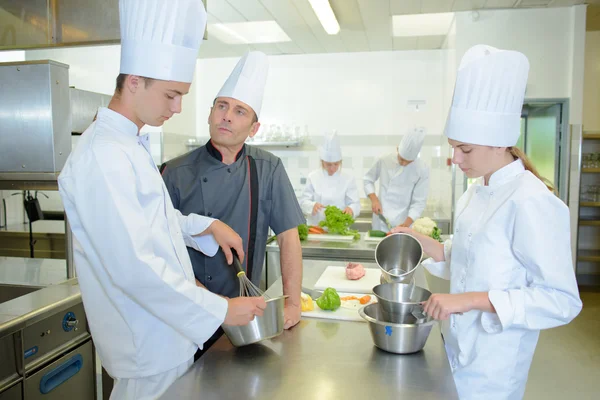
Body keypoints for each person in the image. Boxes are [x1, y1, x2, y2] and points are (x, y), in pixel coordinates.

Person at [58, 1, 265, 398]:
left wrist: (202, 226)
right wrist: (222, 309)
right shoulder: (103, 157)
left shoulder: (129, 144)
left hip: (164, 342)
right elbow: (135, 266)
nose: (178, 107)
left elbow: (150, 223)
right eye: (171, 94)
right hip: (145, 350)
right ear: (135, 81)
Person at [391, 45, 582, 400]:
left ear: (499, 144)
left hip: (493, 367)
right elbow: (466, 258)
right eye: (453, 147)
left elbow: (561, 300)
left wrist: (467, 301)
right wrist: (418, 242)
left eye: (465, 149)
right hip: (455, 346)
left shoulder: (533, 201)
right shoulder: (475, 192)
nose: (455, 158)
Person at [160, 51, 304, 345]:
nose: (226, 115)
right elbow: (162, 250)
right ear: (210, 113)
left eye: (240, 111)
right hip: (189, 313)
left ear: (254, 128)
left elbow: (289, 239)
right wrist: (208, 303)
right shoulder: (174, 172)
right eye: (222, 106)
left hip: (247, 315)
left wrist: (293, 303)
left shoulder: (269, 168)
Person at [363, 128, 429, 231]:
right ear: (397, 149)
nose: (404, 164)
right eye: (402, 159)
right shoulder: (384, 160)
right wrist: (374, 200)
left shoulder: (422, 169)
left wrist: (405, 225)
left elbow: (419, 202)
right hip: (380, 222)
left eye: (409, 161)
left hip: (404, 221)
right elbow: (368, 179)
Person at [299, 132, 360, 226]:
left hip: (339, 230)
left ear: (340, 162)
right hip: (316, 229)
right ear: (322, 162)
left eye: (336, 164)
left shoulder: (348, 178)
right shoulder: (313, 177)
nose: (332, 168)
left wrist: (351, 209)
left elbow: (355, 204)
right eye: (328, 164)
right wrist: (312, 206)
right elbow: (303, 202)